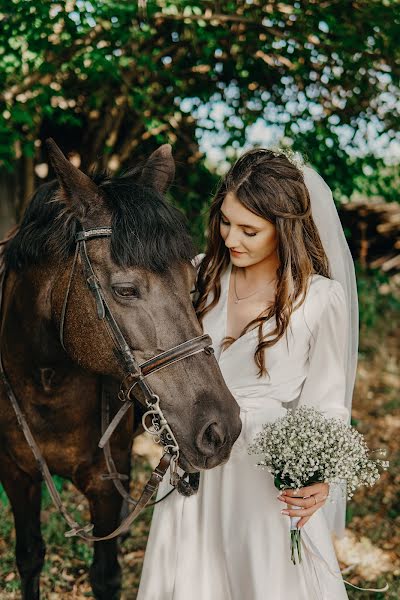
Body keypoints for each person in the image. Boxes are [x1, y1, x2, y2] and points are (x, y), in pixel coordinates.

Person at [137, 148, 358, 600]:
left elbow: (327, 405)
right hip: (197, 461)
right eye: (225, 221)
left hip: (265, 476)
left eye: (249, 229)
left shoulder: (319, 299)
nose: (231, 237)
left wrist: (320, 479)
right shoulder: (199, 278)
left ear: (285, 229)